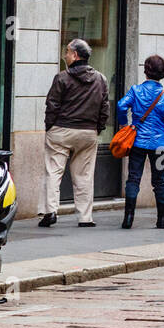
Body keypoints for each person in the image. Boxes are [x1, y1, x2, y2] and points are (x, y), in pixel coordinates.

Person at [40, 38, 109, 228]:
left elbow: (52, 105)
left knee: (53, 171)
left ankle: (50, 211)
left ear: (75, 55)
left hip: (61, 129)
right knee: (85, 175)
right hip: (88, 132)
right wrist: (97, 128)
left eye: (67, 52)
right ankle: (85, 217)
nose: (65, 55)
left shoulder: (62, 77)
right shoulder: (100, 79)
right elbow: (105, 108)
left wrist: (50, 127)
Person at [116, 55, 164, 229]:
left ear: (146, 71)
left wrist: (124, 124)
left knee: (133, 178)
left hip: (137, 143)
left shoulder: (135, 91)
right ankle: (162, 219)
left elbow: (121, 105)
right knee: (160, 181)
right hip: (160, 145)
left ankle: (128, 218)